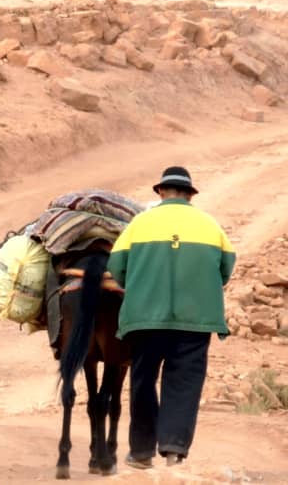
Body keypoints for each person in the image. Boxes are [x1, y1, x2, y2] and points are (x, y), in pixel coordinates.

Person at [107, 166, 236, 469]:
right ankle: (173, 448)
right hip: (195, 322)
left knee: (142, 380)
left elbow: (117, 267)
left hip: (145, 320)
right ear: (190, 195)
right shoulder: (210, 225)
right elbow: (226, 270)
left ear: (161, 192)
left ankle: (141, 452)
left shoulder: (140, 223)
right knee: (184, 383)